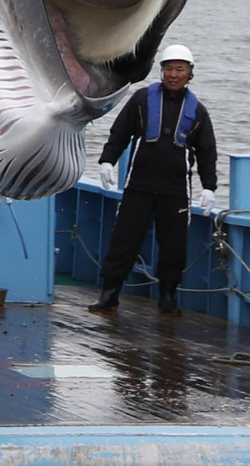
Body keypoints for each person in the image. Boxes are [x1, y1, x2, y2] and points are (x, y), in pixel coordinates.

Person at [89, 43, 217, 316]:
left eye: (179, 69)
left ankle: (168, 297)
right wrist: (107, 160)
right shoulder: (141, 99)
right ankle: (110, 295)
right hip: (139, 185)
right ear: (161, 71)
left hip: (175, 190)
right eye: (168, 68)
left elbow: (207, 152)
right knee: (124, 240)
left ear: (189, 73)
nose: (173, 74)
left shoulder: (198, 111)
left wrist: (209, 187)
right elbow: (119, 132)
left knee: (174, 246)